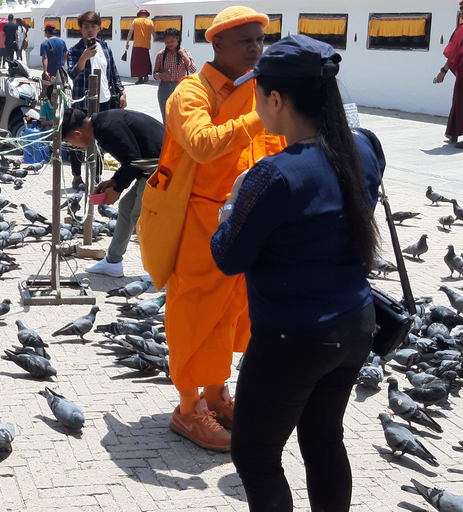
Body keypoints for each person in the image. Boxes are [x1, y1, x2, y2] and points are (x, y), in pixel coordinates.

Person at [211, 35, 383, 511]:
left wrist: (232, 206)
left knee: (256, 455)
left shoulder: (274, 175)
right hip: (355, 323)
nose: (256, 104)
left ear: (277, 100)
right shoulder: (364, 148)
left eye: (257, 94)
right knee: (323, 438)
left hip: (294, 337)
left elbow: (227, 257)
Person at [146, 6, 285, 452]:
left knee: (230, 312)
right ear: (217, 44)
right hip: (200, 221)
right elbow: (203, 145)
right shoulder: (191, 92)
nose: (255, 49)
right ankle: (187, 411)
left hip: (245, 220)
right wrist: (262, 114)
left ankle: (216, 394)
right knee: (194, 313)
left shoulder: (258, 90)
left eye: (259, 41)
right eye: (245, 41)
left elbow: (277, 147)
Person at [62, 108, 165, 278]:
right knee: (126, 207)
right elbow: (131, 159)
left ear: (78, 134)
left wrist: (117, 189)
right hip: (149, 166)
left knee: (141, 218)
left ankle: (161, 271)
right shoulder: (101, 124)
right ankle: (113, 262)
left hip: (161, 167)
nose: (74, 146)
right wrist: (114, 181)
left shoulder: (105, 127)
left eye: (70, 141)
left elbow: (133, 160)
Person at [67, 11, 126, 189]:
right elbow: (72, 74)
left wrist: (121, 91)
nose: (90, 30)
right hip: (83, 101)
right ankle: (77, 176)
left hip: (104, 100)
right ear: (80, 29)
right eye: (86, 26)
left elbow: (113, 72)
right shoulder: (74, 51)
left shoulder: (105, 47)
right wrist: (83, 58)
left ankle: (96, 174)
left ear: (99, 28)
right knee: (78, 139)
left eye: (93, 26)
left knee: (101, 138)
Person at [434, 0, 463, 149]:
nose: (461, 13)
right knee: (459, 100)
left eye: (461, 9)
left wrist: (443, 72)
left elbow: (454, 53)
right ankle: (453, 133)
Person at [153, 28, 196, 123]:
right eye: (167, 42)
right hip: (164, 88)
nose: (169, 44)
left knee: (179, 117)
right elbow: (155, 73)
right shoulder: (161, 55)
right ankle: (167, 137)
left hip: (179, 88)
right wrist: (161, 75)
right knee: (166, 117)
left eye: (172, 41)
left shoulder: (185, 53)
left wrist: (184, 55)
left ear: (178, 39)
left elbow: (193, 69)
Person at [126, 10, 154, 84]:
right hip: (146, 45)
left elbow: (130, 32)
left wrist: (127, 42)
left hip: (137, 45)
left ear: (139, 15)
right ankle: (146, 74)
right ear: (146, 15)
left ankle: (140, 78)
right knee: (145, 61)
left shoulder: (136, 21)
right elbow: (154, 34)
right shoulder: (150, 22)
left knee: (137, 62)